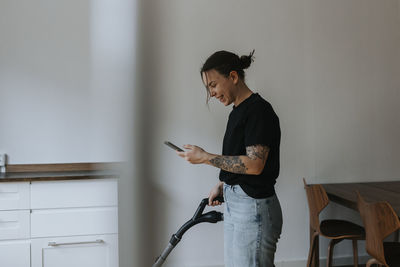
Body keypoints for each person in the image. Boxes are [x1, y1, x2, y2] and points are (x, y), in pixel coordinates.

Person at [176, 50, 282, 267]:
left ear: (233, 77)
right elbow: (240, 160)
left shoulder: (258, 111)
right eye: (208, 88)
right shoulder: (237, 112)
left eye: (213, 85)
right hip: (238, 203)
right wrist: (223, 184)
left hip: (254, 208)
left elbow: (254, 164)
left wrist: (205, 157)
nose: (212, 93)